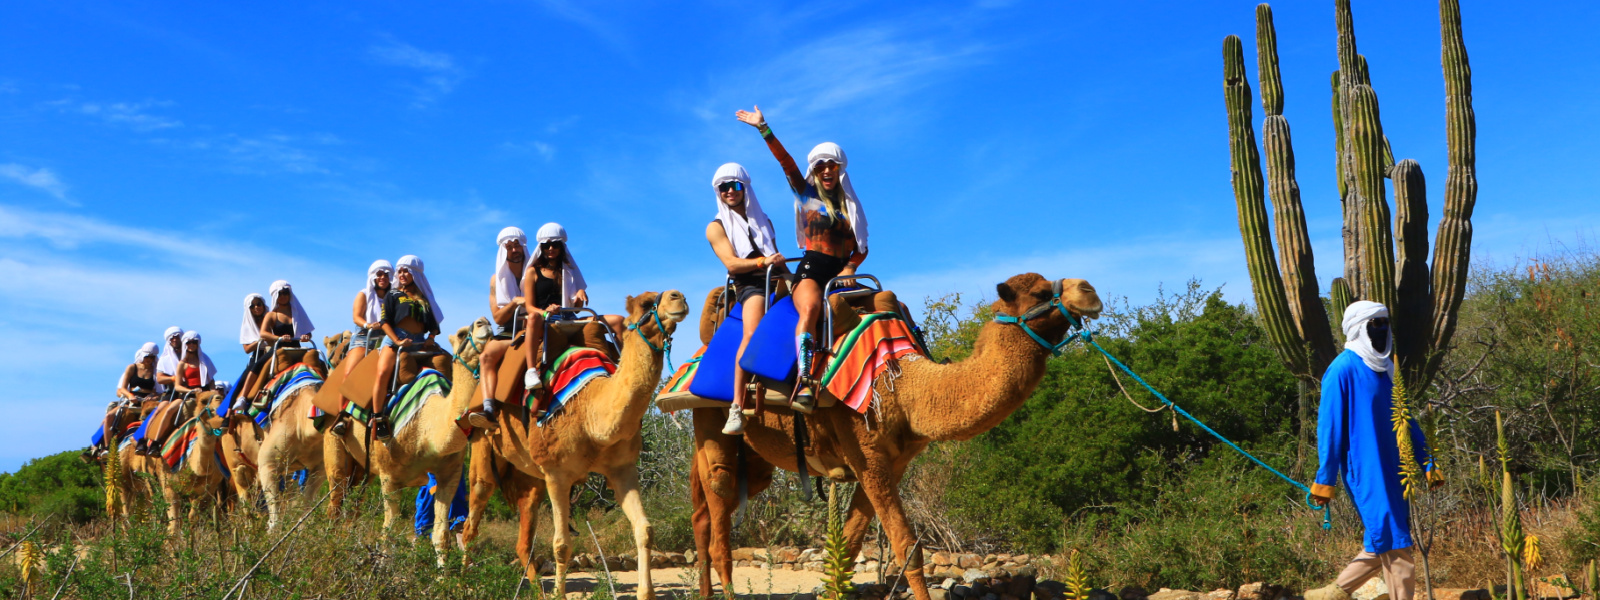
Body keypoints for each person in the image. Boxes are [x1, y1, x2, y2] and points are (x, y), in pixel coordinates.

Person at [737, 105, 869, 413]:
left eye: (832, 165)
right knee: (809, 307)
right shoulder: (807, 195)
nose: (826, 170)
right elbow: (787, 165)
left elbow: (861, 246)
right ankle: (806, 379)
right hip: (812, 272)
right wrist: (763, 128)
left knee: (889, 305)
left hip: (842, 276)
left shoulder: (852, 207)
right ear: (815, 169)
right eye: (821, 165)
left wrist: (852, 266)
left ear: (840, 169)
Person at [1305, 301, 1437, 600]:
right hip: (1366, 470)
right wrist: (1325, 479)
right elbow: (1329, 429)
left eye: (1384, 323)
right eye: (1373, 324)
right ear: (1358, 328)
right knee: (1395, 539)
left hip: (1396, 466)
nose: (1381, 330)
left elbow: (1407, 419)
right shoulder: (1341, 369)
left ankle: (1334, 592)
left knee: (1385, 535)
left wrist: (1427, 461)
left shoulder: (1387, 368)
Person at [704, 162, 785, 435]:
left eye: (735, 185)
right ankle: (736, 407)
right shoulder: (716, 227)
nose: (730, 191)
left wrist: (798, 278)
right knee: (751, 334)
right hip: (751, 285)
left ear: (745, 187)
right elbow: (732, 264)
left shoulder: (765, 221)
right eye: (723, 187)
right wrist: (764, 263)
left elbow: (778, 260)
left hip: (775, 278)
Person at [515, 223, 625, 414]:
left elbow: (577, 308)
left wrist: (580, 294)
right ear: (540, 247)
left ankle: (624, 364)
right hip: (545, 319)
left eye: (555, 245)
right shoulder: (533, 271)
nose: (551, 249)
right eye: (546, 245)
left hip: (569, 318)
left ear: (562, 247)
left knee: (618, 320)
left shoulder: (569, 270)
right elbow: (530, 305)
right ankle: (531, 371)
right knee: (532, 317)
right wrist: (545, 311)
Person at [370, 255, 442, 440]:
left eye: (405, 271)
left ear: (414, 274)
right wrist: (397, 341)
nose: (401, 274)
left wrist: (431, 337)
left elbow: (433, 324)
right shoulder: (393, 295)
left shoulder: (425, 298)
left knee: (445, 363)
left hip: (420, 342)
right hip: (396, 340)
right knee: (382, 373)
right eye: (400, 271)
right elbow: (385, 322)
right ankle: (378, 419)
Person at [467, 227, 528, 430]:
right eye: (509, 247)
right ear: (504, 251)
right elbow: (498, 317)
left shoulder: (535, 272)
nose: (514, 250)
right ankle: (488, 409)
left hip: (536, 326)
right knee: (486, 357)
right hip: (508, 332)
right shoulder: (496, 280)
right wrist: (514, 303)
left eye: (517, 245)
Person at [331, 260, 393, 436]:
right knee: (350, 372)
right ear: (373, 277)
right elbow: (356, 317)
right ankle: (342, 415)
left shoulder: (395, 295)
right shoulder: (364, 294)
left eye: (386, 274)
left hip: (388, 338)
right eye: (379, 274)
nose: (383, 278)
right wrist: (368, 324)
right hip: (364, 337)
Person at [143, 331, 219, 454]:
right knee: (169, 410)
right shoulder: (182, 364)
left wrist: (213, 390)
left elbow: (211, 380)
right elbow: (178, 386)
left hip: (205, 395)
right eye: (189, 342)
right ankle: (155, 442)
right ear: (185, 344)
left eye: (194, 342)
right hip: (187, 395)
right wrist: (191, 391)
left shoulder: (205, 360)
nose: (192, 345)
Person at [92, 342, 163, 455]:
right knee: (109, 416)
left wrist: (153, 397)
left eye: (152, 357)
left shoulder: (156, 371)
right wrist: (130, 396)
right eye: (147, 356)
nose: (149, 359)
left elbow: (159, 390)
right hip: (131, 401)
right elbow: (123, 388)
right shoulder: (132, 368)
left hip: (147, 402)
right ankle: (105, 447)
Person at [231, 293, 270, 416]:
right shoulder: (247, 326)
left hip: (274, 351)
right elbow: (247, 349)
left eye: (259, 304)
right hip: (259, 354)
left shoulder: (271, 319)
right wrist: (259, 341)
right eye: (252, 306)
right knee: (242, 381)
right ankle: (231, 412)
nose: (256, 307)